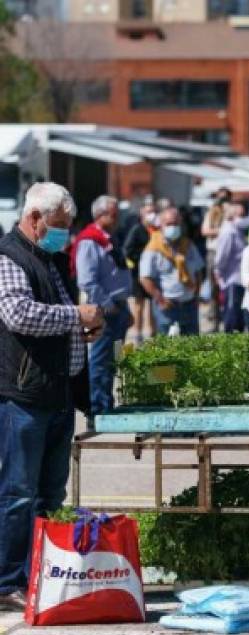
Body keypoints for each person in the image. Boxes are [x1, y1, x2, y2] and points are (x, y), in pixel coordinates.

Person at [0, 182, 103, 610]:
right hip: (24, 395)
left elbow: (60, 319)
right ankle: (8, 580)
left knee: (49, 495)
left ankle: (37, 571)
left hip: (57, 392)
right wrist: (74, 316)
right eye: (59, 225)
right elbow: (18, 313)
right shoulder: (9, 256)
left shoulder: (51, 259)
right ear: (36, 218)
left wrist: (86, 328)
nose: (64, 233)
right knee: (17, 493)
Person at [73, 195, 132, 415]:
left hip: (119, 306)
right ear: (100, 215)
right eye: (113, 214)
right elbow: (86, 280)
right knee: (100, 360)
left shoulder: (110, 238)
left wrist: (126, 307)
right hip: (105, 309)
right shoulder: (90, 240)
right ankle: (96, 408)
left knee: (114, 359)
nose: (117, 218)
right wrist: (108, 304)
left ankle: (106, 404)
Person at [139, 207, 204, 336]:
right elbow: (145, 278)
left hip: (189, 305)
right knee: (167, 348)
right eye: (169, 224)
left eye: (175, 223)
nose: (173, 227)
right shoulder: (153, 248)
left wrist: (196, 294)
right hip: (167, 306)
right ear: (161, 225)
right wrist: (160, 298)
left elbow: (198, 271)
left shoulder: (188, 245)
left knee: (193, 347)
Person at [122, 197, 157, 344]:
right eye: (148, 211)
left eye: (153, 211)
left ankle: (153, 333)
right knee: (139, 305)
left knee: (153, 305)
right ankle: (138, 334)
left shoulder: (156, 230)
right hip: (138, 273)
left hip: (153, 274)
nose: (151, 214)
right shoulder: (137, 229)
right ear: (142, 213)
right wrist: (143, 258)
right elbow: (127, 250)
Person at [214, 202, 248, 333]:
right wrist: (219, 273)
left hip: (239, 278)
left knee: (238, 317)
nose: (243, 218)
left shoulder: (238, 231)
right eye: (240, 215)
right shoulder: (229, 232)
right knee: (232, 318)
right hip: (231, 279)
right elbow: (222, 257)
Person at [200, 199, 225, 330]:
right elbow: (205, 231)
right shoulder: (210, 214)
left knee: (227, 289)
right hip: (213, 252)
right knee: (213, 288)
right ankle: (215, 320)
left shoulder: (229, 215)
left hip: (227, 253)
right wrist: (222, 231)